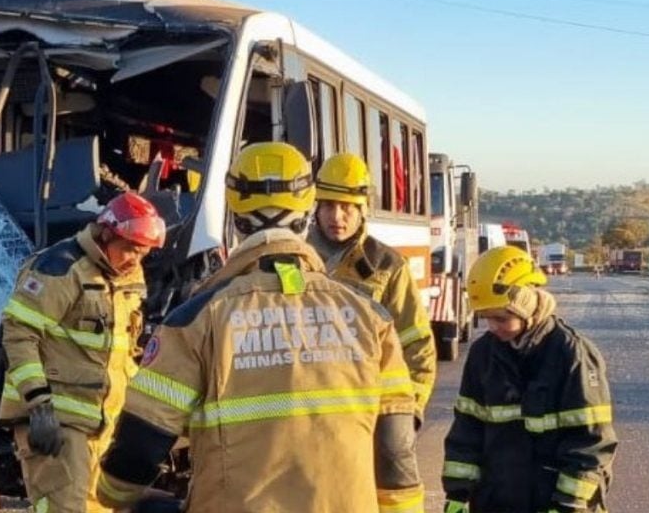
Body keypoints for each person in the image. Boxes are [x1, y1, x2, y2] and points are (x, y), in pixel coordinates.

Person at [95, 142, 422, 512]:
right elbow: (396, 452)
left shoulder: (196, 318)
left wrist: (113, 495)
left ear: (235, 216)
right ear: (306, 216)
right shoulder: (371, 317)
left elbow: (142, 442)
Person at [0, 191, 166, 513]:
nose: (135, 260)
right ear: (106, 235)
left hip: (104, 421)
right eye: (130, 249)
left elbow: (124, 352)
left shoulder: (127, 276)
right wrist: (39, 406)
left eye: (142, 253)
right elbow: (19, 334)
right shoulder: (60, 269)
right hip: (57, 419)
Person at [442, 246, 618, 513]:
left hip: (554, 501)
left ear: (526, 305)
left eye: (502, 317)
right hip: (495, 500)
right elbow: (467, 428)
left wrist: (567, 504)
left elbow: (591, 442)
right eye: (486, 318)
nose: (492, 327)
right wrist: (457, 494)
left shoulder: (572, 354)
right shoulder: (483, 354)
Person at [307, 152, 436, 506]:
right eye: (329, 205)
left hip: (366, 416)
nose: (337, 216)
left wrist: (408, 415)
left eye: (348, 206)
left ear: (363, 209)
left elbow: (417, 345)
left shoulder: (386, 266)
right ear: (315, 207)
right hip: (306, 415)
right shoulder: (296, 259)